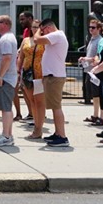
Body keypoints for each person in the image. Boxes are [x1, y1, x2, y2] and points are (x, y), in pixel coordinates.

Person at [32, 19, 70, 147]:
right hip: (51, 76)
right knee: (54, 107)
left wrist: (38, 30)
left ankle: (62, 136)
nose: (42, 33)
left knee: (56, 107)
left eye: (43, 31)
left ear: (48, 28)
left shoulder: (57, 35)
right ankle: (58, 133)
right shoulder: (57, 36)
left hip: (54, 76)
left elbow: (36, 40)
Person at [0, 14, 18, 148]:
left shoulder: (6, 39)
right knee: (6, 108)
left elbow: (7, 58)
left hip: (5, 79)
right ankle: (8, 135)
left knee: (5, 108)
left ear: (5, 24)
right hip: (6, 78)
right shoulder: (7, 38)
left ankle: (6, 136)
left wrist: (0, 76)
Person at [18, 18, 46, 140]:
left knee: (39, 102)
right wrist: (18, 71)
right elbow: (21, 57)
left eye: (38, 27)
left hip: (40, 74)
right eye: (33, 27)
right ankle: (36, 125)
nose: (35, 29)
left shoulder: (44, 41)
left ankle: (39, 128)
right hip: (27, 74)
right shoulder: (25, 40)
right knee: (32, 101)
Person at [79, 20, 103, 125]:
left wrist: (86, 59)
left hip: (96, 71)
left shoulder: (100, 40)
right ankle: (95, 115)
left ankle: (101, 117)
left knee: (98, 94)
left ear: (99, 29)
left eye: (93, 27)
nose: (91, 29)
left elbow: (98, 56)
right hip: (90, 70)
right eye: (90, 27)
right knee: (94, 94)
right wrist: (85, 59)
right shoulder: (91, 39)